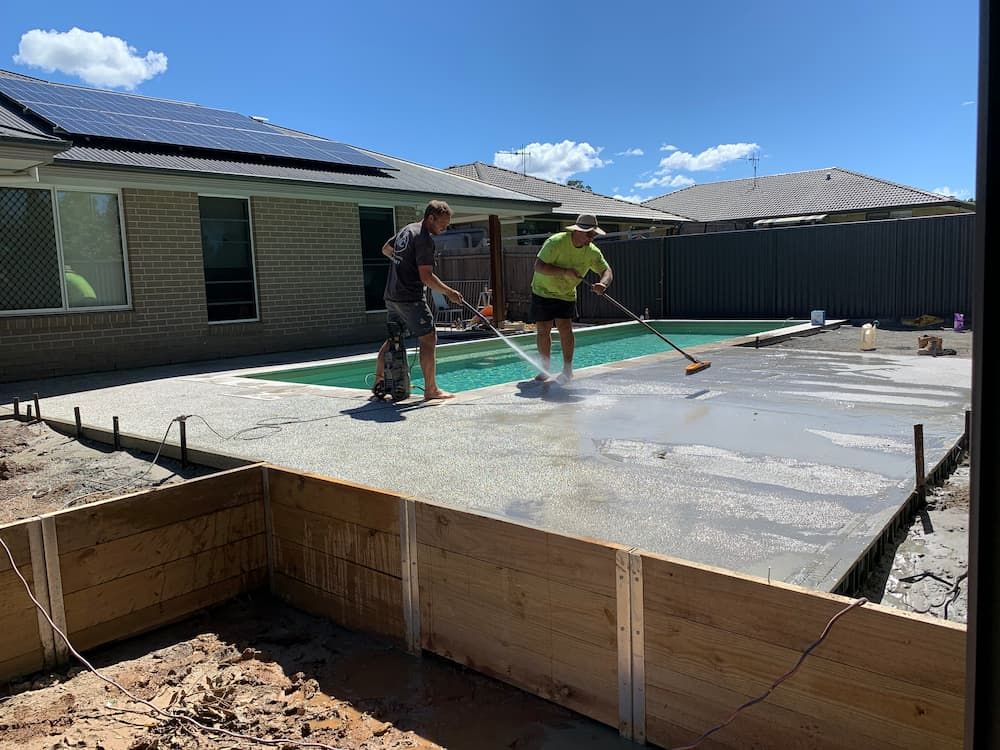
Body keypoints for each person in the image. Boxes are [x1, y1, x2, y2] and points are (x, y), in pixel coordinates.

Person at [374, 200, 464, 401]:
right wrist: (450, 293)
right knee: (428, 337)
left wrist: (404, 264)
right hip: (409, 297)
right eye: (442, 223)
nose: (444, 228)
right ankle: (431, 390)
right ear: (430, 217)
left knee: (394, 339)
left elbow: (386, 249)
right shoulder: (424, 239)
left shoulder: (407, 230)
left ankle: (379, 380)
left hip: (392, 295)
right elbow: (427, 277)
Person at [529, 213, 613, 382]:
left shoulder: (592, 252)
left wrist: (603, 284)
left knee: (565, 329)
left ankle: (567, 369)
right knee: (543, 330)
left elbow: (607, 271)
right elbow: (538, 266)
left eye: (594, 234)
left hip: (566, 293)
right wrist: (564, 272)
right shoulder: (556, 242)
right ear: (578, 231)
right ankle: (544, 370)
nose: (592, 238)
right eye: (589, 234)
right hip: (542, 290)